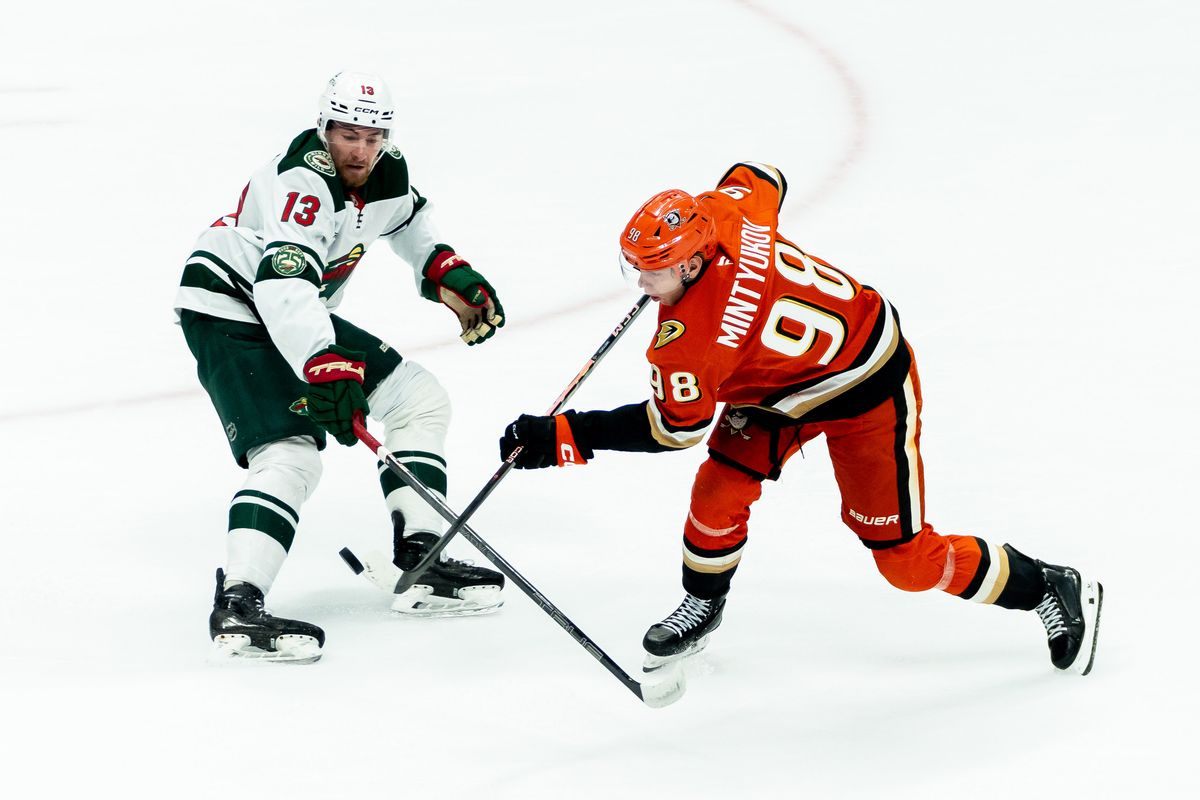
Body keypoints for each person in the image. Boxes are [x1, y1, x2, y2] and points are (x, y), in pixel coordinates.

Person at [499, 162, 1103, 676]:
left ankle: (1046, 584)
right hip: (779, 386)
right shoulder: (724, 212)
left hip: (864, 386)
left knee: (905, 562)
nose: (640, 281)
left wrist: (563, 436)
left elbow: (671, 430)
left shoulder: (689, 344)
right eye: (635, 266)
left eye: (653, 270)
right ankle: (702, 606)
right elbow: (763, 177)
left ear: (691, 264)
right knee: (716, 494)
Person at [175, 71, 506, 663]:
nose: (360, 150)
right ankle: (239, 603)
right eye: (348, 134)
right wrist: (325, 364)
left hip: (293, 308)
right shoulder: (302, 182)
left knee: (419, 400)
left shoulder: (387, 171)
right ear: (325, 127)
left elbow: (408, 224)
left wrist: (445, 271)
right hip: (230, 304)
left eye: (373, 136)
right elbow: (284, 285)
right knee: (291, 454)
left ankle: (421, 551)